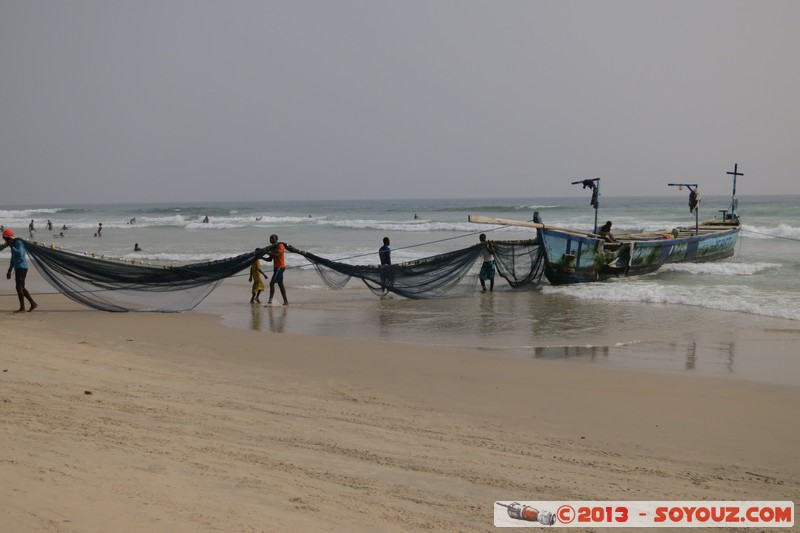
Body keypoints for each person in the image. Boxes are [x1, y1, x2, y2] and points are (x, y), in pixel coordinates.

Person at [1, 229, 38, 312]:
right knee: (21, 287)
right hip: (18, 268)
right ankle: (33, 304)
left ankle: (22, 308)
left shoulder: (18, 242)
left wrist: (11, 246)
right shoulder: (13, 243)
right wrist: (9, 270)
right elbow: (13, 258)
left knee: (19, 287)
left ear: (10, 237)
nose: (5, 241)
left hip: (22, 267)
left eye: (6, 239)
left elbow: (20, 253)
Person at [265, 234, 288, 305]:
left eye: (272, 238)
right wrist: (261, 257)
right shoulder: (272, 248)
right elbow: (269, 259)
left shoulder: (280, 246)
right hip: (276, 267)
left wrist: (267, 252)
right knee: (280, 284)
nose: (270, 239)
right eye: (270, 238)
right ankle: (286, 301)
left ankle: (270, 300)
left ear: (276, 239)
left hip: (280, 267)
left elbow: (278, 255)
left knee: (272, 283)